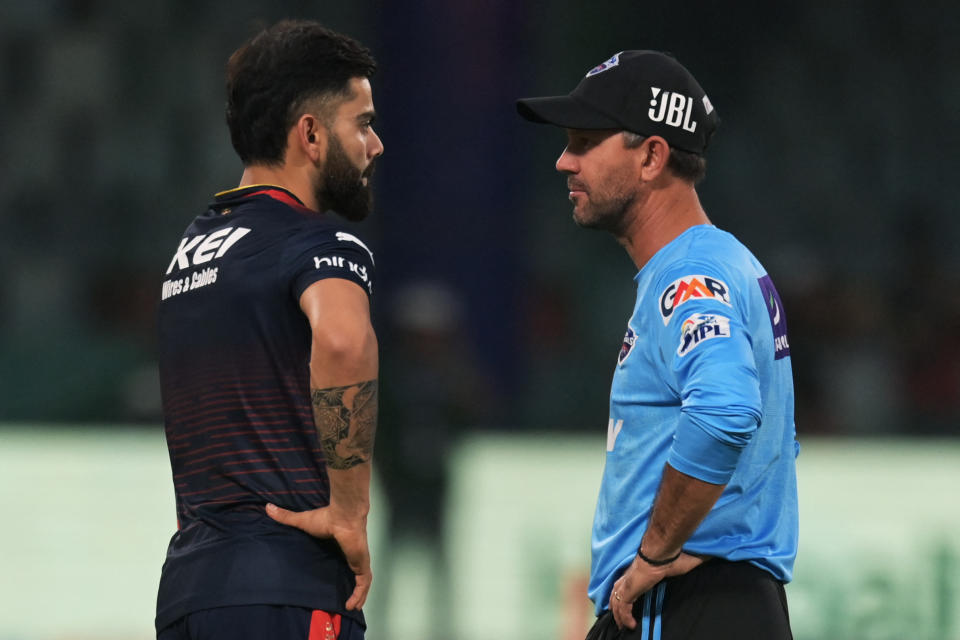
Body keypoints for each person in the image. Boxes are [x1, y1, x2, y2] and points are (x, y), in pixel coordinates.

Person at [517, 50, 799, 639]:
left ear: (651, 156)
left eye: (585, 141)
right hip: (726, 601)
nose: (564, 161)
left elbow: (726, 411)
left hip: (683, 604)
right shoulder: (727, 264)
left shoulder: (689, 275)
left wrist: (654, 554)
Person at [155, 20, 384, 640]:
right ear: (310, 133)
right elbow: (343, 340)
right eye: (361, 123)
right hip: (287, 582)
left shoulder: (193, 248)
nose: (376, 144)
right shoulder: (321, 242)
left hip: (189, 589)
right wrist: (350, 510)